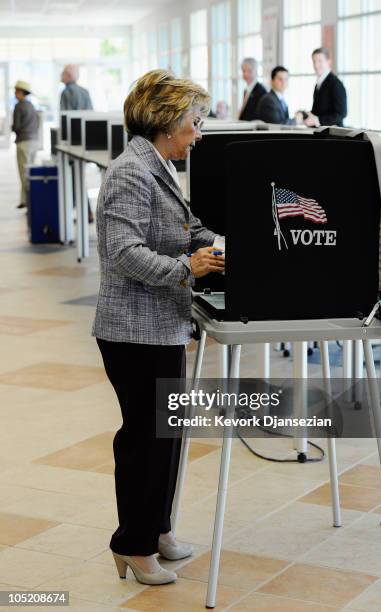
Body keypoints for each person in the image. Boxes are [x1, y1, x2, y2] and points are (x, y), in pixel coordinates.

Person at [92, 69, 225, 586]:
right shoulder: (131, 173)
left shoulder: (160, 166)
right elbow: (123, 253)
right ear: (168, 124)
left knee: (166, 435)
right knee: (145, 440)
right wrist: (185, 269)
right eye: (194, 123)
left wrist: (228, 244)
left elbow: (191, 229)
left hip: (160, 327)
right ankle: (132, 543)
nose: (198, 134)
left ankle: (157, 528)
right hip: (133, 332)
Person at [60, 64, 94, 222]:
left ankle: (82, 211)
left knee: (73, 178)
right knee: (79, 177)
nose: (60, 75)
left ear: (68, 75)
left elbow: (64, 118)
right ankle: (86, 211)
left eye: (63, 73)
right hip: (85, 141)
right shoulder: (85, 92)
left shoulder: (66, 92)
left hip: (72, 143)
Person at [12, 80, 39, 209]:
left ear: (21, 92)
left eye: (16, 91)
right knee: (30, 172)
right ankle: (26, 200)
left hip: (23, 142)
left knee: (24, 174)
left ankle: (28, 200)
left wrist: (14, 128)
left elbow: (16, 126)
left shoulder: (18, 106)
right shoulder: (31, 105)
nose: (15, 93)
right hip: (34, 142)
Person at [303, 47, 347, 127]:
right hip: (321, 133)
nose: (316, 65)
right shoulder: (319, 84)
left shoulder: (335, 84)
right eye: (314, 61)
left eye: (320, 61)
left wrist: (318, 120)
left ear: (328, 61)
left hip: (334, 135)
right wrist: (305, 115)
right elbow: (317, 111)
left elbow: (341, 113)